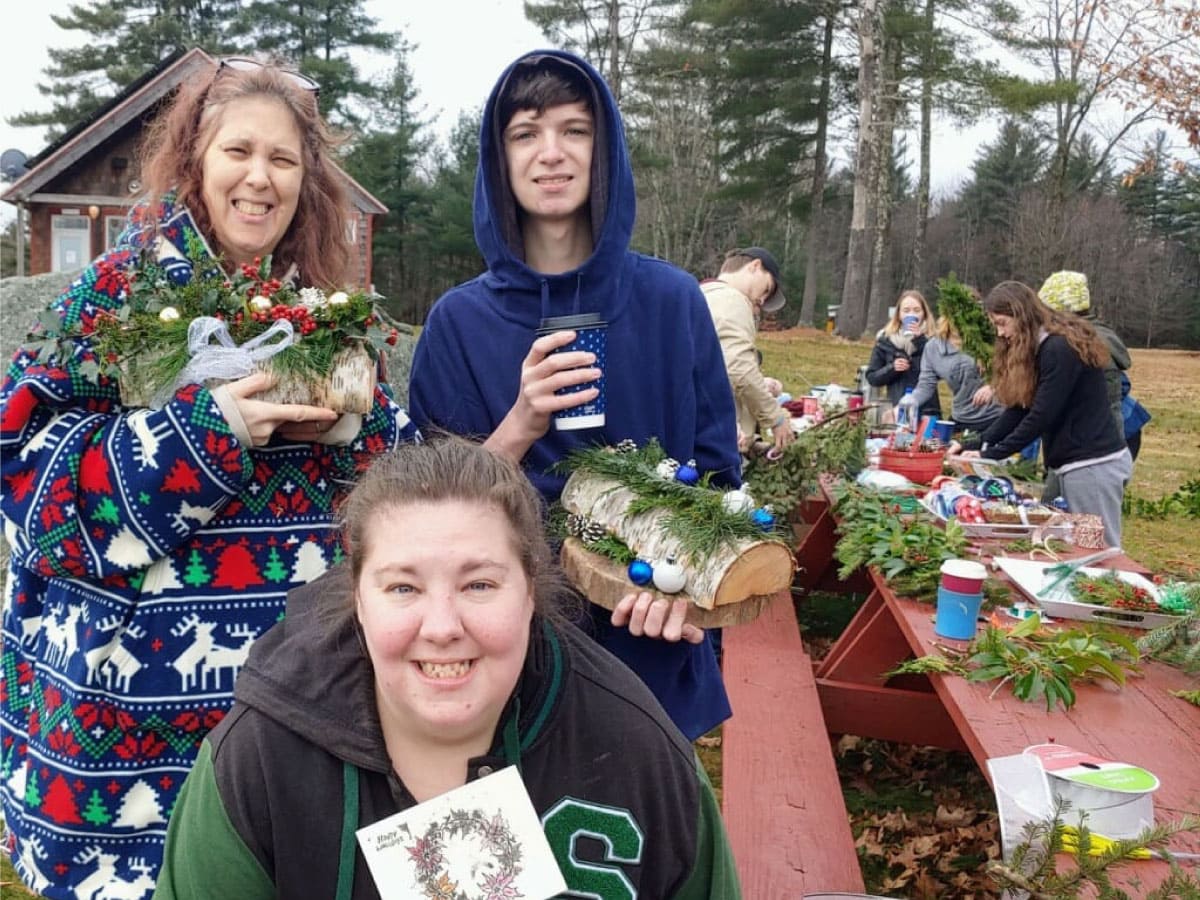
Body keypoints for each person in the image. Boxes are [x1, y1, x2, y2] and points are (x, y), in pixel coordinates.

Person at [0, 58, 419, 899]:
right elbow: (32, 494)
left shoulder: (319, 312)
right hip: (129, 731)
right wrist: (207, 432)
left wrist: (362, 424)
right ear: (196, 159)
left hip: (293, 711)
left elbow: (393, 487)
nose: (260, 178)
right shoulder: (115, 297)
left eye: (285, 160)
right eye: (239, 151)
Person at [153, 437, 741, 899]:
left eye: (479, 584)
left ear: (532, 591)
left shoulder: (640, 751)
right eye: (403, 587)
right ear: (358, 598)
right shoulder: (260, 757)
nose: (441, 626)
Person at [408, 50, 740, 742]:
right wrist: (521, 422)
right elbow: (427, 515)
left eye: (575, 130)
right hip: (503, 659)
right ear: (499, 159)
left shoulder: (672, 302)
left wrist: (687, 592)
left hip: (649, 641)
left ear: (606, 150)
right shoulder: (458, 323)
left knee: (645, 842)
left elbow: (716, 478)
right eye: (526, 134)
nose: (551, 154)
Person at [955, 281, 1130, 547]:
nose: (1000, 333)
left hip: (1093, 465)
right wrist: (976, 444)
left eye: (1002, 323)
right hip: (1072, 465)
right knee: (1073, 545)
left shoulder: (1059, 349)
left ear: (1021, 315)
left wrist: (992, 455)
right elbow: (1019, 408)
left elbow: (1042, 415)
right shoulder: (1040, 349)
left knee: (1099, 548)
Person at [1038, 271, 1151, 461]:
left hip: (1108, 446)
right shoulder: (1079, 338)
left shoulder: (1087, 347)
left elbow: (1104, 411)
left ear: (1060, 312)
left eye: (1045, 310)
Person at [700, 247, 795, 457]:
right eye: (767, 289)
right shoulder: (731, 300)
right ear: (755, 266)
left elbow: (720, 373)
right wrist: (775, 418)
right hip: (713, 441)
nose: (762, 301)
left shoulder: (706, 295)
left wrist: (753, 441)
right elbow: (738, 369)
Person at [909, 311, 1003, 442]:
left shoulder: (993, 339)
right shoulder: (933, 347)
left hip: (995, 417)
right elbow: (926, 385)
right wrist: (909, 402)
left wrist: (993, 386)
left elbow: (1015, 373)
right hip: (960, 417)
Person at [865, 289, 942, 421]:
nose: (911, 314)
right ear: (899, 314)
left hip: (927, 411)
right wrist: (892, 368)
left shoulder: (934, 340)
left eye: (917, 310)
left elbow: (941, 372)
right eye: (906, 310)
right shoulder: (885, 340)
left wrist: (920, 341)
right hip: (896, 409)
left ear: (924, 313)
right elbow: (872, 377)